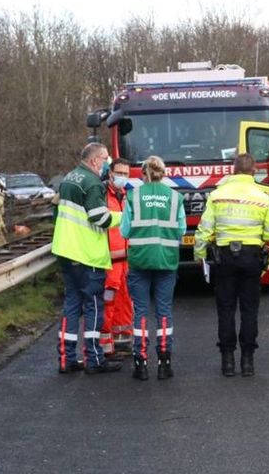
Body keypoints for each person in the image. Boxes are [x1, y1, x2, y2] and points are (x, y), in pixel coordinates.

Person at [194, 153, 269, 378]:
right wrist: (258, 238)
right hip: (251, 257)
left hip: (224, 258)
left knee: (226, 309)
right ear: (254, 171)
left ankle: (228, 361)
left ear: (233, 169)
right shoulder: (263, 197)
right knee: (249, 309)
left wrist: (199, 253)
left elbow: (204, 229)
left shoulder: (217, 195)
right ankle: (248, 361)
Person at [52, 143, 123, 374]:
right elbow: (100, 218)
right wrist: (123, 217)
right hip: (86, 254)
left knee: (71, 305)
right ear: (94, 160)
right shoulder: (92, 183)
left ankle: (66, 359)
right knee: (93, 306)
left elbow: (55, 211)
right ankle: (94, 359)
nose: (107, 164)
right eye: (105, 159)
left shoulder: (69, 178)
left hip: (66, 250)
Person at [121, 155, 185, 381]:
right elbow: (181, 230)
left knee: (140, 311)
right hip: (166, 260)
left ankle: (140, 363)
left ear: (143, 174)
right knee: (164, 311)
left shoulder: (133, 196)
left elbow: (124, 231)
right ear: (164, 173)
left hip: (139, 260)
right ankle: (164, 362)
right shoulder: (175, 197)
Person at [101, 158, 134, 358]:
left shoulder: (126, 196)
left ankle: (123, 341)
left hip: (126, 259)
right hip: (109, 259)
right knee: (108, 301)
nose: (122, 177)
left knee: (125, 300)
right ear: (110, 173)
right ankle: (105, 346)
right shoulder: (102, 196)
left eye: (125, 174)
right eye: (119, 173)